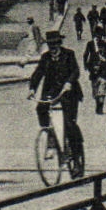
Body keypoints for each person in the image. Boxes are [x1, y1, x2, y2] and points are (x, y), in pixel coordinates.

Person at [28, 29, 84, 177]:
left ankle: (76, 160)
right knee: (41, 108)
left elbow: (75, 71)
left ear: (60, 43)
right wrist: (32, 89)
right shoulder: (45, 57)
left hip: (69, 93)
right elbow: (38, 74)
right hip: (52, 92)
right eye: (50, 45)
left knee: (69, 124)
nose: (53, 47)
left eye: (55, 44)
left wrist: (69, 82)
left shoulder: (69, 54)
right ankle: (49, 133)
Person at [84, 32, 106, 115]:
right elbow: (86, 55)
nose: (97, 38)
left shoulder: (105, 44)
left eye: (99, 36)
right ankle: (98, 103)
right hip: (93, 71)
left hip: (103, 71)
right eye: (96, 36)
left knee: (102, 90)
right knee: (95, 91)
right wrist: (86, 65)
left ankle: (100, 107)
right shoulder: (90, 44)